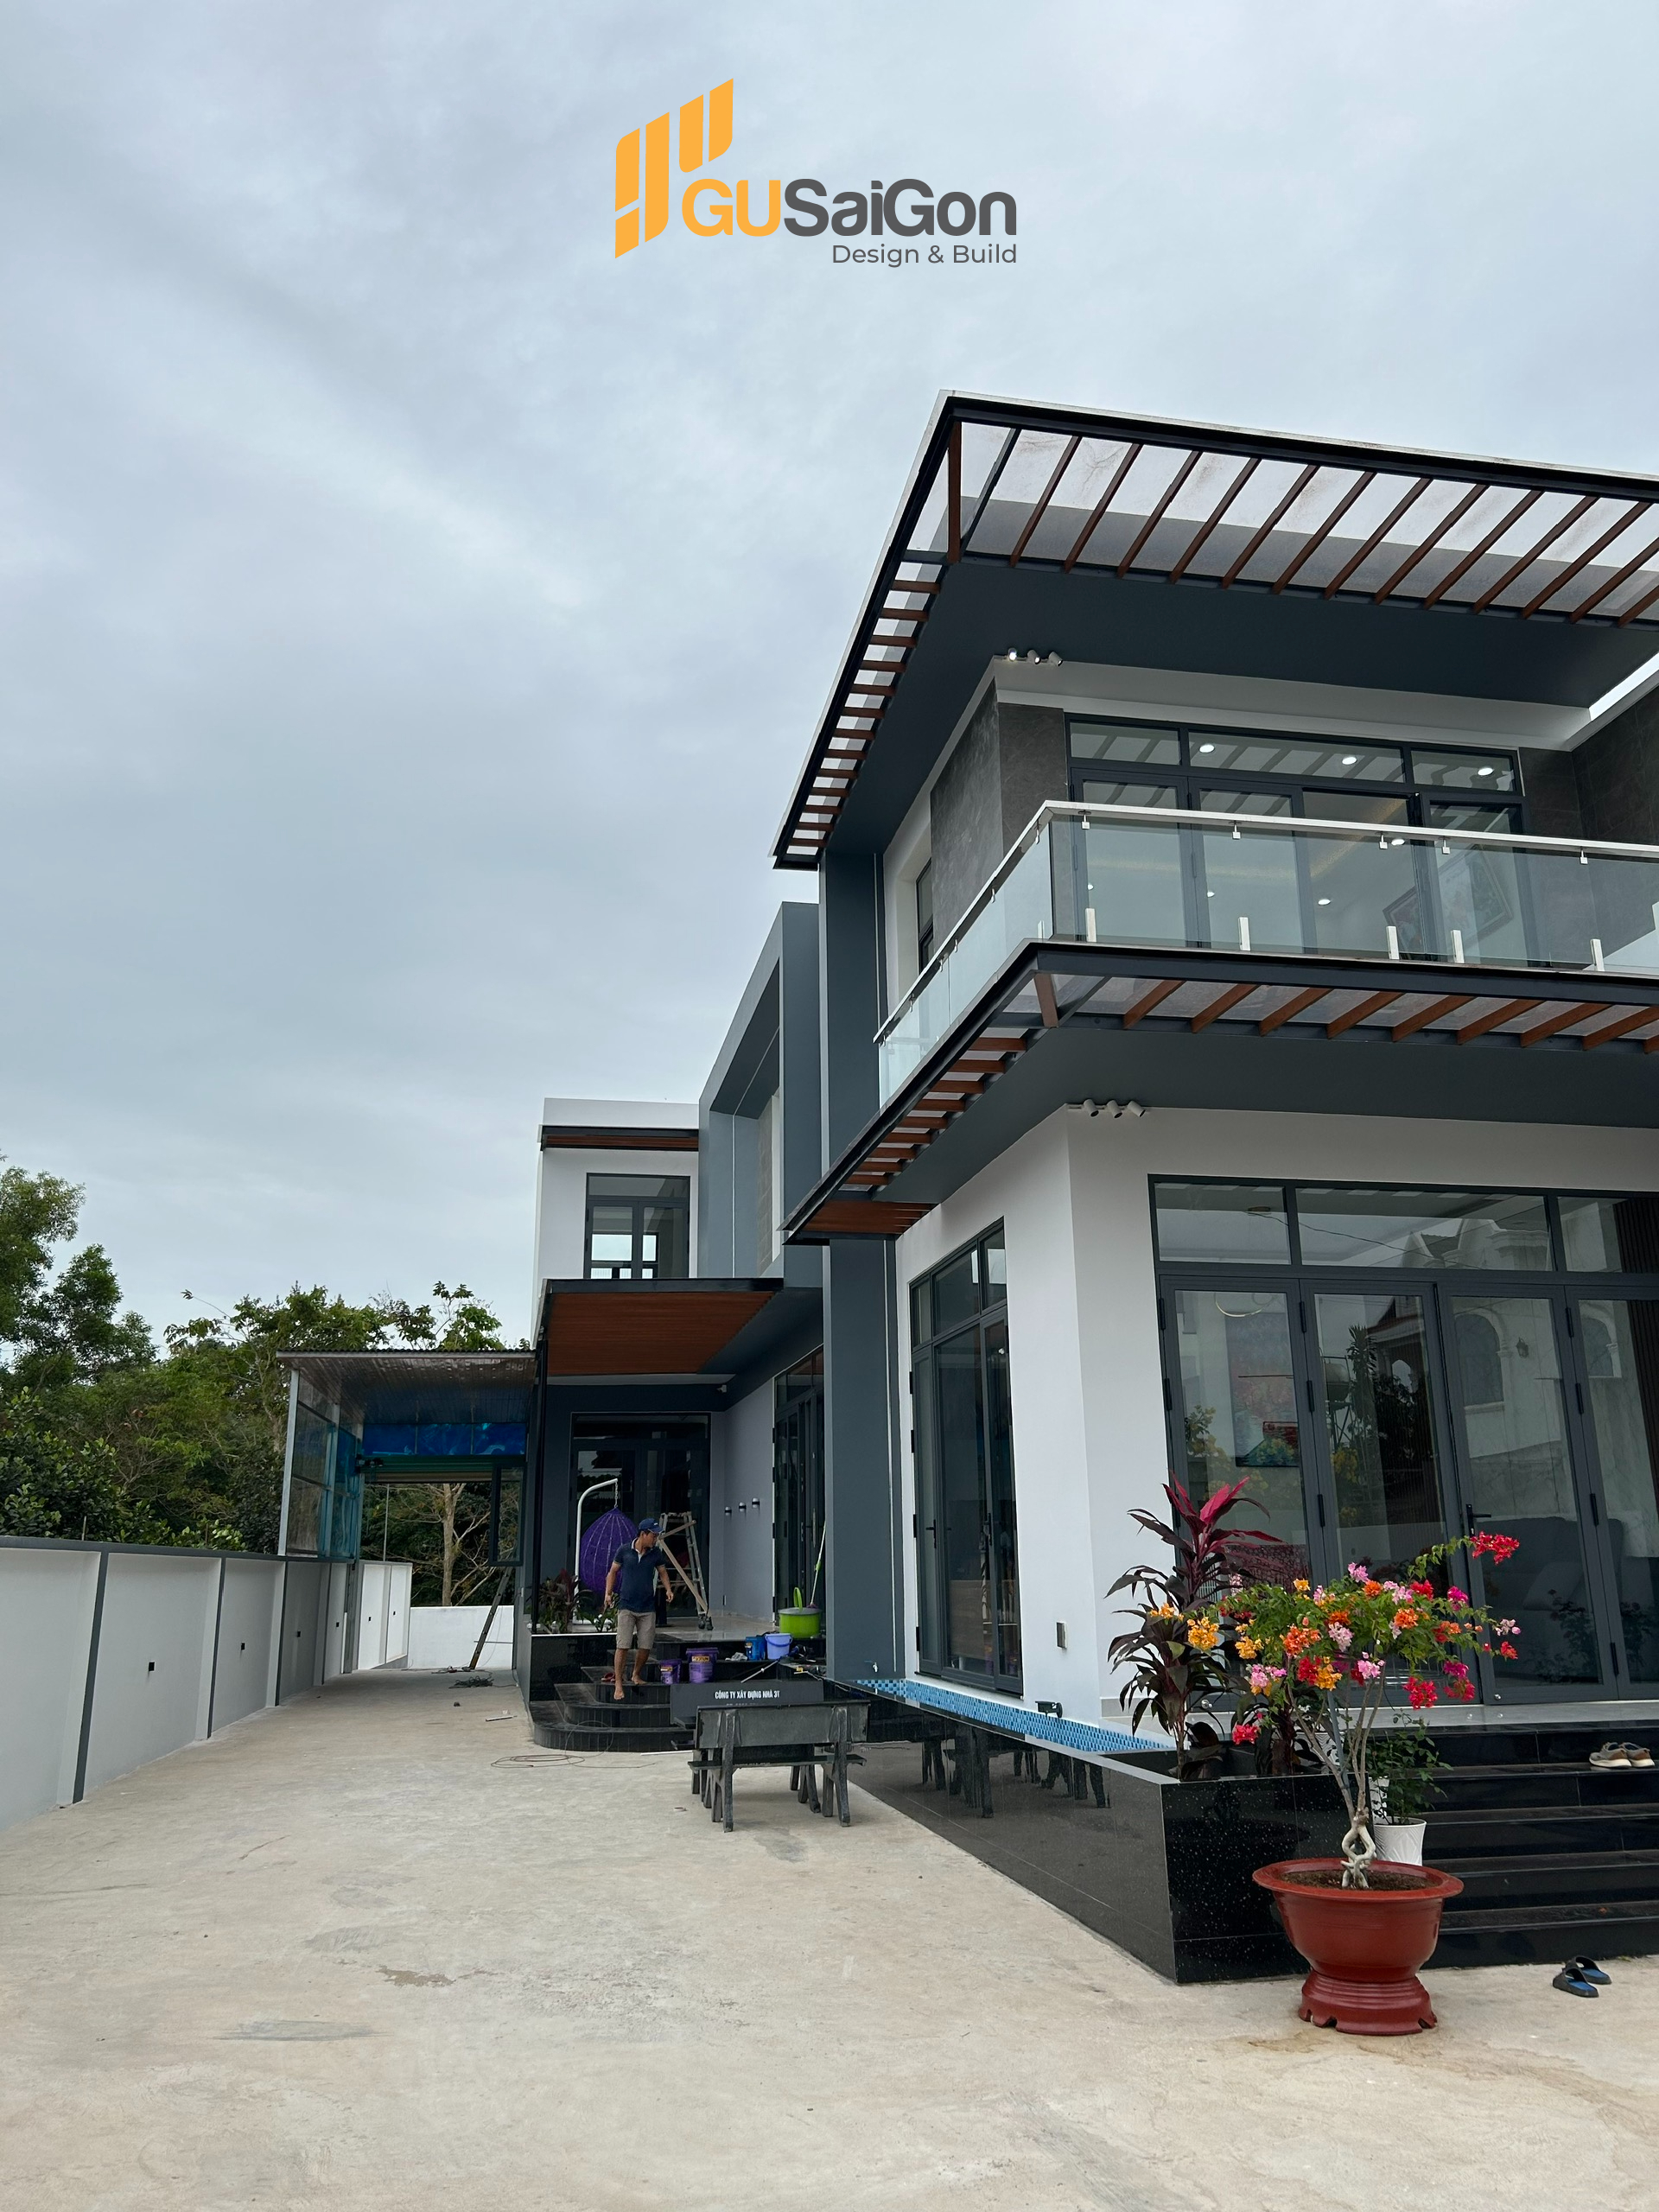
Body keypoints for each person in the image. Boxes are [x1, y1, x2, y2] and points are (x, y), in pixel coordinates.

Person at [606, 1519, 673, 1700]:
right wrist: (608, 1593)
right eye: (653, 1535)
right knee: (623, 1645)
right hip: (627, 1605)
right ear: (643, 1534)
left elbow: (663, 1572)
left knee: (646, 1645)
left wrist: (668, 1589)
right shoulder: (624, 1551)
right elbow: (612, 1572)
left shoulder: (655, 1553)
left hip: (647, 1606)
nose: (655, 1539)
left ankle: (636, 1674)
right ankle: (618, 1683)